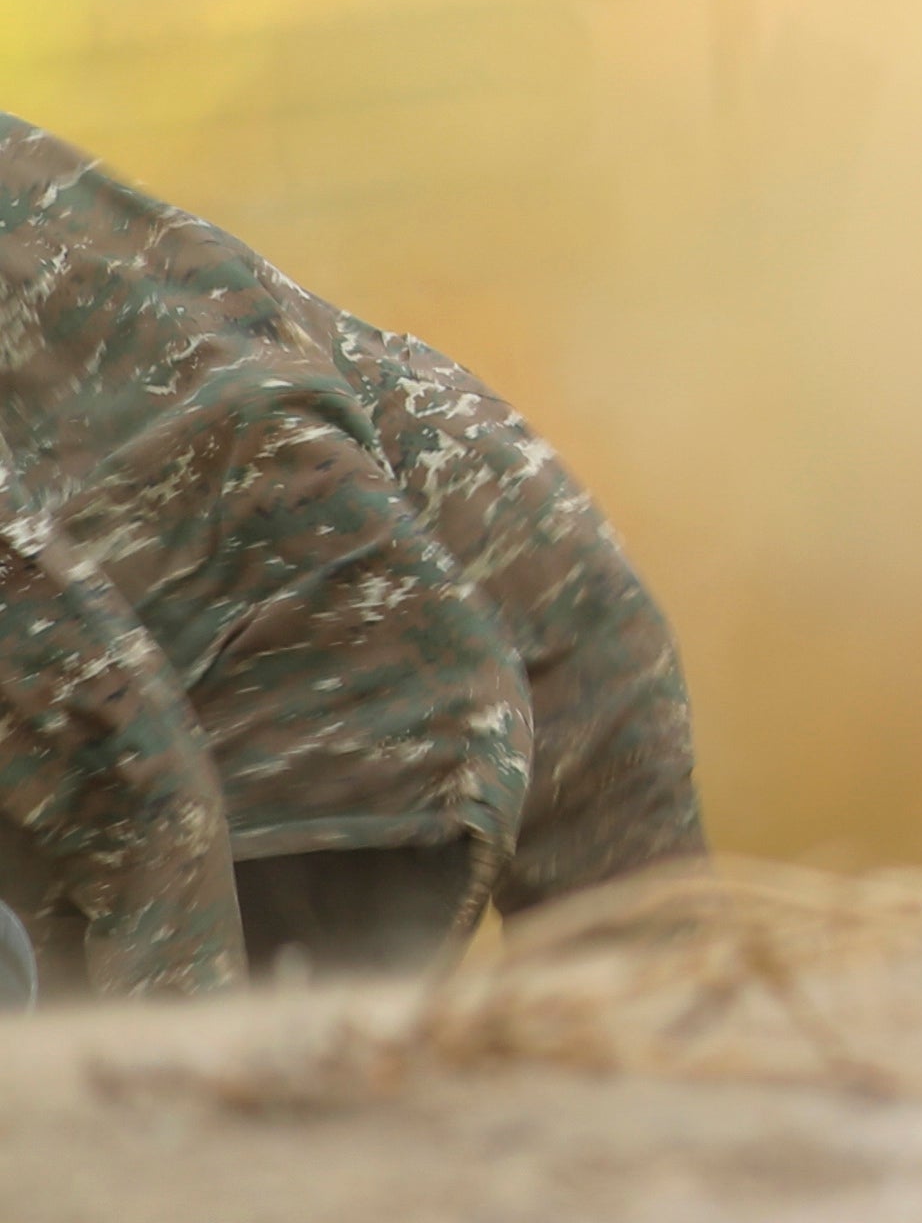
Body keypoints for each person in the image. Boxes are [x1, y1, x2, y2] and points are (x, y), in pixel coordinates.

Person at [0, 115, 707, 998]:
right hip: (403, 713)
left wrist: (181, 1059)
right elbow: (571, 585)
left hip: (282, 782)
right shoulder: (70, 216)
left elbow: (116, 758)